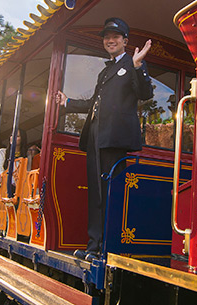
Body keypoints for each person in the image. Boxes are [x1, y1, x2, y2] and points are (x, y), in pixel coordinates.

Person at [56, 17, 153, 260]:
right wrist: (68, 103)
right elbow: (94, 104)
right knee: (96, 194)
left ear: (125, 41)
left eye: (115, 37)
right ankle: (94, 246)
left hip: (115, 138)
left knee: (111, 194)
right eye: (107, 37)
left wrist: (139, 66)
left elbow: (145, 94)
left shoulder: (133, 64)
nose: (110, 40)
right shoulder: (105, 70)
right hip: (96, 138)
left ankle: (108, 248)